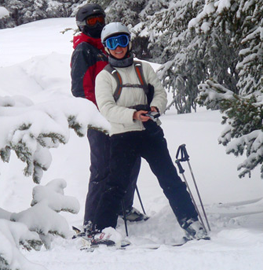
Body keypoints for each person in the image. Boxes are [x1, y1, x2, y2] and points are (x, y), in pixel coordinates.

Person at [90, 22, 210, 246]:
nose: (118, 48)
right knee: (116, 185)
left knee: (170, 179)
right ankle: (101, 230)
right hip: (123, 135)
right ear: (106, 47)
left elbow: (159, 93)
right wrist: (133, 116)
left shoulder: (143, 68)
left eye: (122, 41)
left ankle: (191, 222)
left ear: (129, 43)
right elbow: (106, 109)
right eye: (112, 43)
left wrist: (155, 109)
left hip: (150, 132)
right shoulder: (104, 77)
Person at [70, 4, 145, 233]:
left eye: (100, 19)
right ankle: (91, 221)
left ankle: (123, 206)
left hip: (121, 116)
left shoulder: (107, 46)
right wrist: (101, 111)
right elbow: (80, 90)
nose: (98, 25)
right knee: (102, 169)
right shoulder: (84, 50)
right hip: (100, 120)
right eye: (92, 22)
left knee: (130, 162)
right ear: (82, 25)